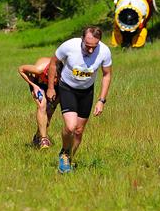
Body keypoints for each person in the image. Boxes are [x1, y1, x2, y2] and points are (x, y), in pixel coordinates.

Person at [46, 26, 113, 174]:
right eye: (88, 46)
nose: (91, 50)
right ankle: (64, 152)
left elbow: (107, 75)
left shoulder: (104, 51)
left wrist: (101, 100)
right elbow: (53, 63)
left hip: (87, 91)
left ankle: (68, 160)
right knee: (70, 127)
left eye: (94, 46)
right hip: (67, 88)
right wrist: (51, 88)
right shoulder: (69, 46)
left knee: (78, 130)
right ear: (82, 39)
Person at [18, 57, 61, 148]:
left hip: (55, 87)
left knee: (49, 112)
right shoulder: (39, 69)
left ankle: (38, 136)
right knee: (42, 106)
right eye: (53, 77)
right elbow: (21, 69)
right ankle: (43, 139)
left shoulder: (64, 72)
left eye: (57, 78)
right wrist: (33, 85)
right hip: (38, 84)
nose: (54, 80)